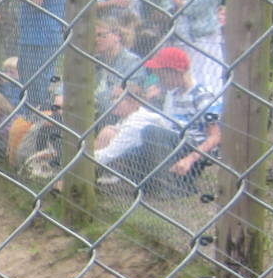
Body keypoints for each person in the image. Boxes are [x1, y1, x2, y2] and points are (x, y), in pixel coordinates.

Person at [94, 46, 220, 196]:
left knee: (150, 131)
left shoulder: (201, 96)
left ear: (176, 72)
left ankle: (171, 188)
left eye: (162, 75)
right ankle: (151, 183)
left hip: (190, 148)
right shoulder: (173, 94)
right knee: (128, 132)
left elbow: (216, 136)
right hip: (171, 143)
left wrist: (189, 159)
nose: (159, 80)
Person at [92, 16, 142, 125]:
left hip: (116, 121)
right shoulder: (93, 61)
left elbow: (125, 100)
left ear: (117, 36)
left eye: (101, 35)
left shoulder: (133, 62)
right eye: (93, 36)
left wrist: (89, 97)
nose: (96, 39)